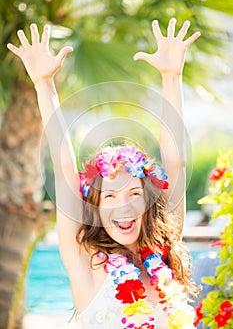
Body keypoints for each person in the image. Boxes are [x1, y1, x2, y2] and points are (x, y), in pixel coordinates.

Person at [7, 18, 201, 329]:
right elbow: (65, 168)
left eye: (134, 194)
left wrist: (171, 76)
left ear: (149, 203)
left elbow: (175, 161)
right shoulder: (87, 259)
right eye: (109, 196)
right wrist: (44, 84)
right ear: (95, 208)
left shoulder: (164, 256)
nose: (122, 206)